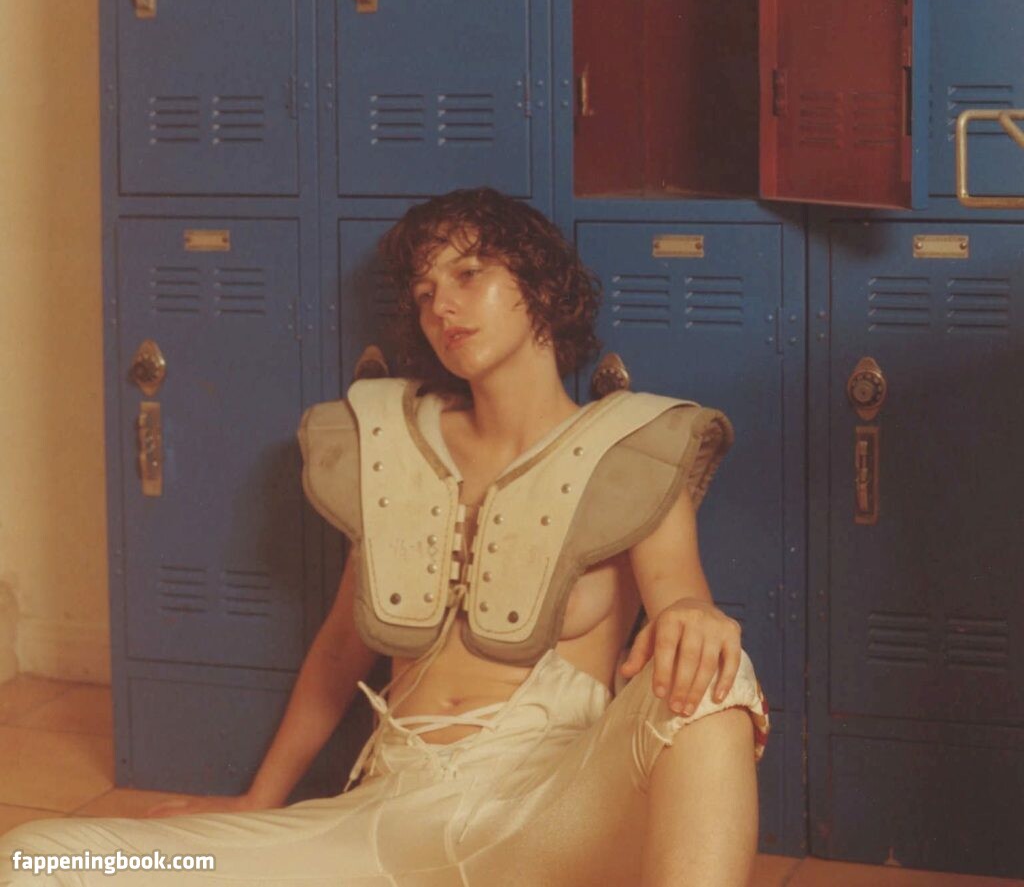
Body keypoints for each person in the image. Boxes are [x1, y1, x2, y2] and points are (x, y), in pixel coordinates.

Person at [0, 188, 769, 887]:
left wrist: (695, 615)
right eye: (426, 292)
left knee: (718, 673)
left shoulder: (631, 451)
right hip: (385, 822)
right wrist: (259, 799)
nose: (443, 307)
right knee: (38, 859)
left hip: (546, 816)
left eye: (468, 274)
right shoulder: (394, 445)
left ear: (538, 284)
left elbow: (683, 607)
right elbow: (342, 646)